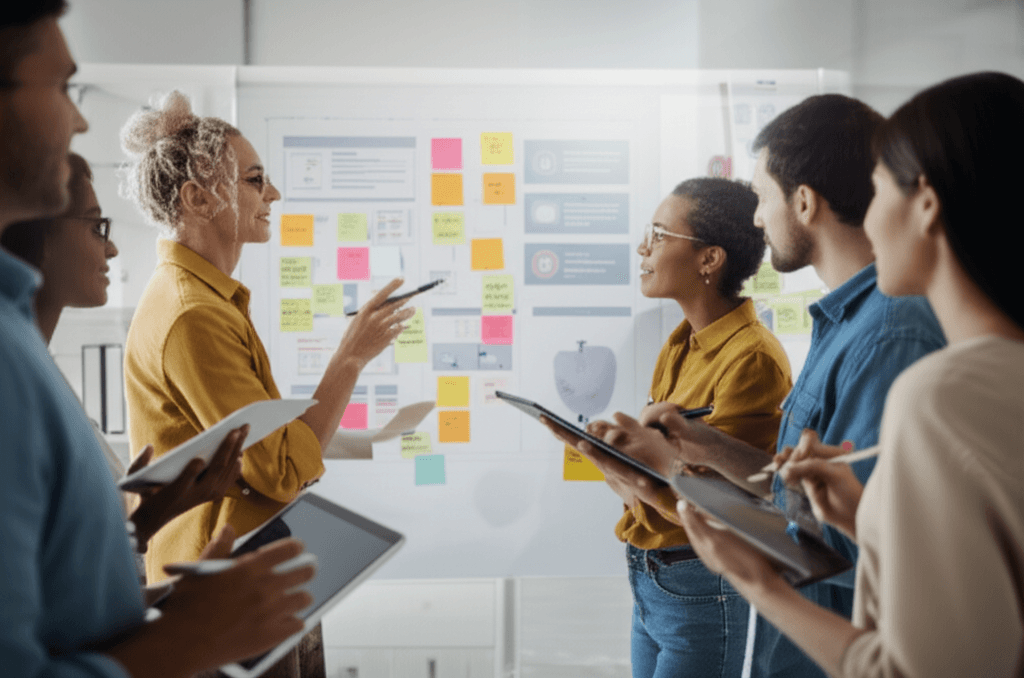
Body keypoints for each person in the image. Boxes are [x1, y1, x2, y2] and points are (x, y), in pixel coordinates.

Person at [557, 94, 946, 678]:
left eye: (763, 198)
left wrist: (677, 478)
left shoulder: (886, 335)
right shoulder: (841, 325)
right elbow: (801, 505)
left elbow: (847, 546)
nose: (758, 222)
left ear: (806, 202)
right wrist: (696, 446)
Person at [673, 70, 1024, 678]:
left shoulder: (939, 390)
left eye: (880, 189)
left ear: (926, 207)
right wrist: (861, 515)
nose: (869, 214)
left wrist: (757, 581)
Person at [0, 4, 317, 677]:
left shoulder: (20, 344)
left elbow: (47, 582)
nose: (82, 120)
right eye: (59, 88)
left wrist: (144, 527)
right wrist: (190, 636)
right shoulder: (183, 312)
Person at [119, 91, 415, 677]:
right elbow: (276, 468)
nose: (273, 194)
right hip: (222, 597)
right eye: (256, 180)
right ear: (198, 199)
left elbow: (263, 446)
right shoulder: (192, 313)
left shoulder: (207, 300)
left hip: (239, 585)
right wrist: (349, 359)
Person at [551, 178, 792, 677]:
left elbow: (735, 511)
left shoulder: (753, 358)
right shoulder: (680, 342)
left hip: (701, 581)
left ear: (710, 259)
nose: (644, 247)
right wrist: (604, 457)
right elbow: (655, 488)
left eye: (660, 234)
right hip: (650, 575)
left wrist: (633, 468)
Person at [1, 152, 244, 553]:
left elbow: (73, 558)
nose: (112, 249)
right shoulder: (15, 387)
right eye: (97, 227)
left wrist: (150, 515)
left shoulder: (42, 372)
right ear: (39, 235)